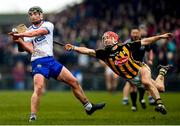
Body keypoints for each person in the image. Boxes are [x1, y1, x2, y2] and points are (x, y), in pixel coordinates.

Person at [9, 6, 105, 122]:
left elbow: (39, 32)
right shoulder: (28, 31)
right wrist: (18, 40)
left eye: (35, 13)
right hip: (38, 61)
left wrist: (21, 35)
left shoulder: (48, 25)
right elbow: (25, 49)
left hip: (51, 61)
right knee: (39, 87)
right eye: (31, 14)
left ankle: (88, 107)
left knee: (74, 81)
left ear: (41, 15)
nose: (33, 16)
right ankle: (33, 116)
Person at [64, 31, 173, 115]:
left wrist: (161, 36)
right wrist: (74, 47)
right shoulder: (103, 54)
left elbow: (146, 41)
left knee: (146, 81)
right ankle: (162, 71)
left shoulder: (126, 46)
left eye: (108, 38)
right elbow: (88, 51)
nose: (106, 41)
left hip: (141, 68)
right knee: (160, 88)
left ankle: (160, 104)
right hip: (132, 79)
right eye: (104, 39)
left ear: (115, 39)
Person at [122, 26, 155, 111]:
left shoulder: (143, 42)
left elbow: (150, 50)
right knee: (133, 85)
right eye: (133, 33)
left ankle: (141, 99)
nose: (135, 34)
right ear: (131, 34)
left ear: (140, 33)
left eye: (136, 33)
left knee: (144, 84)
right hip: (131, 67)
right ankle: (134, 105)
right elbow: (122, 54)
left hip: (142, 66)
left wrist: (150, 59)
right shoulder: (127, 43)